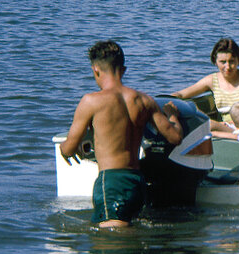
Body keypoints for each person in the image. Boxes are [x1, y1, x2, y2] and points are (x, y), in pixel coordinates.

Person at [60, 41, 185, 228]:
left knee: (108, 246)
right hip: (137, 182)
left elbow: (69, 148)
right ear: (123, 69)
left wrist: (65, 149)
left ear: (95, 70)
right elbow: (175, 137)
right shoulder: (144, 100)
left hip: (111, 183)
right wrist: (173, 115)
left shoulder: (91, 101)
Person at [171, 38, 239, 120]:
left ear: (238, 60)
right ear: (215, 62)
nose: (227, 67)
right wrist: (166, 101)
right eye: (223, 62)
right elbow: (181, 94)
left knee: (210, 125)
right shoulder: (212, 80)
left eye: (231, 61)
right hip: (225, 127)